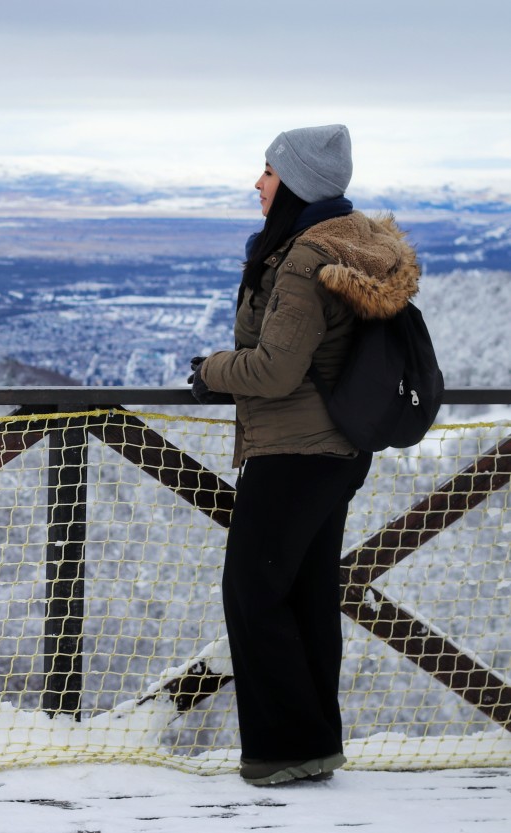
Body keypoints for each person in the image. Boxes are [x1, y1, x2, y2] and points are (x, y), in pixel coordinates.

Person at [189, 124, 421, 786]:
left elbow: (277, 367)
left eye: (267, 171)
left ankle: (284, 749)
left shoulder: (302, 258)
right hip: (341, 449)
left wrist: (212, 368)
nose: (257, 183)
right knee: (307, 594)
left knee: (252, 592)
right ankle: (315, 744)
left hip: (296, 449)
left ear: (295, 183)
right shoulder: (351, 246)